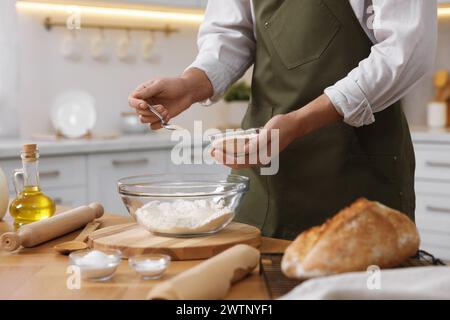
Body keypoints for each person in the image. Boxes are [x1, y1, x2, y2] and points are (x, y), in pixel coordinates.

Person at [129, 0, 437, 240]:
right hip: (265, 179)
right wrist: (188, 86)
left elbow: (406, 51)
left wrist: (301, 122)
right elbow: (230, 35)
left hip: (356, 171)